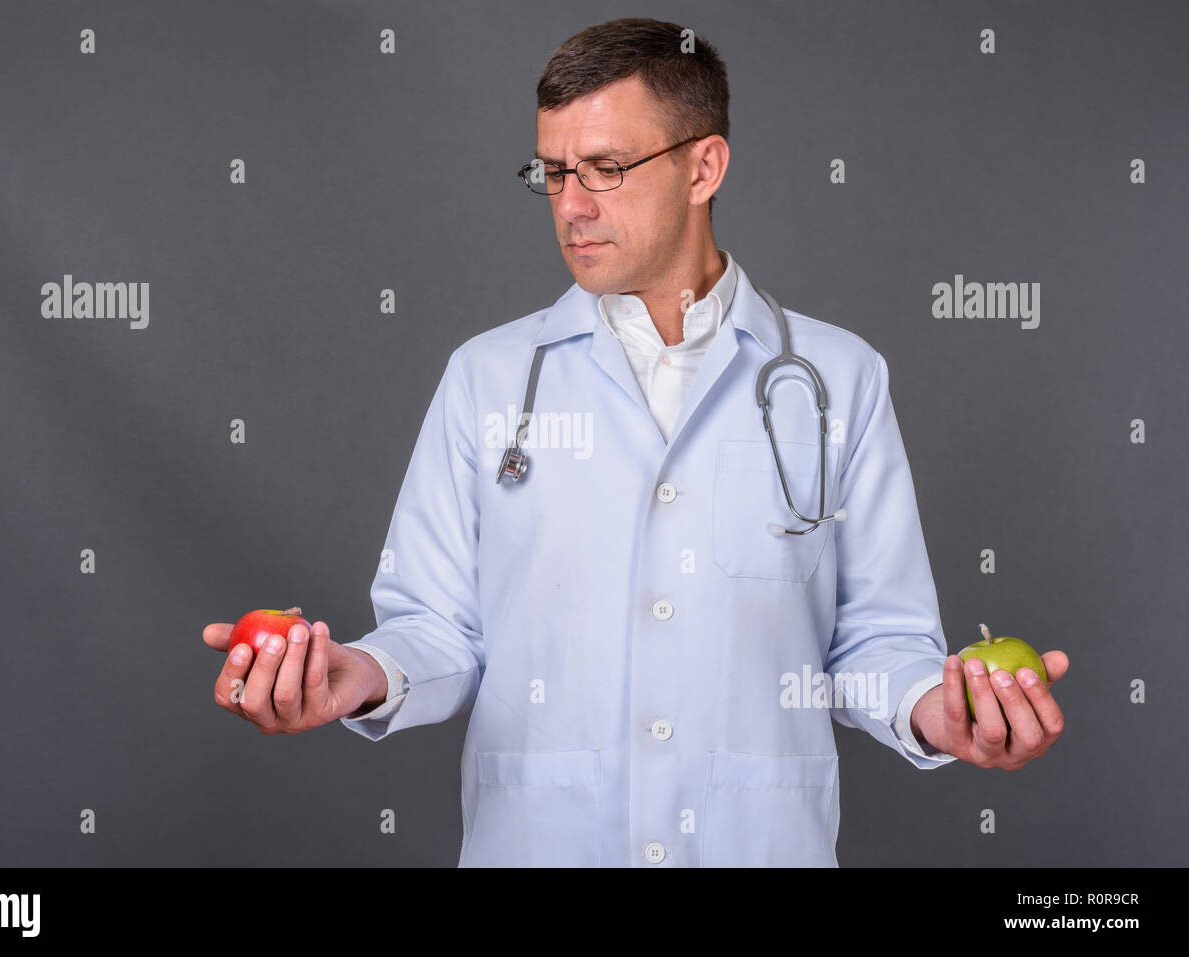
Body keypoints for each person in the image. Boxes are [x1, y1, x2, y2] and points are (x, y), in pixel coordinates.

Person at [203, 17, 1067, 867]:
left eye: (607, 169)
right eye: (553, 172)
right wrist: (356, 672)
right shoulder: (488, 376)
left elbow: (875, 638)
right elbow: (436, 628)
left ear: (704, 166)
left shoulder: (840, 376)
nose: (571, 206)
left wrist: (933, 708)